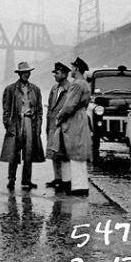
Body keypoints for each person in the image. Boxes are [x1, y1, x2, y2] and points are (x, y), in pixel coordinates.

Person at [0, 61, 45, 190]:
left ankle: (27, 180)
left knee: (29, 153)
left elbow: (40, 110)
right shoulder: (10, 89)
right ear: (19, 74)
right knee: (13, 153)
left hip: (30, 122)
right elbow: (6, 109)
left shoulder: (35, 89)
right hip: (15, 123)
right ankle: (11, 180)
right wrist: (7, 125)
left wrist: (39, 126)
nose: (27, 74)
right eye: (24, 72)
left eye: (28, 72)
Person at [55, 57, 92, 196]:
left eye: (72, 68)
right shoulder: (86, 84)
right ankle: (81, 184)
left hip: (74, 119)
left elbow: (69, 105)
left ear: (76, 69)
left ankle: (78, 187)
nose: (70, 70)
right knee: (80, 151)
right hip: (82, 117)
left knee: (74, 151)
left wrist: (59, 116)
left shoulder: (76, 84)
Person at [45, 62, 72, 188]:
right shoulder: (54, 89)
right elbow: (50, 108)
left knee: (64, 153)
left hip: (64, 125)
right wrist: (48, 124)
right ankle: (57, 178)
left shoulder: (71, 89)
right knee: (54, 152)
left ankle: (66, 180)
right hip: (53, 124)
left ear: (65, 74)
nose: (55, 75)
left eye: (57, 73)